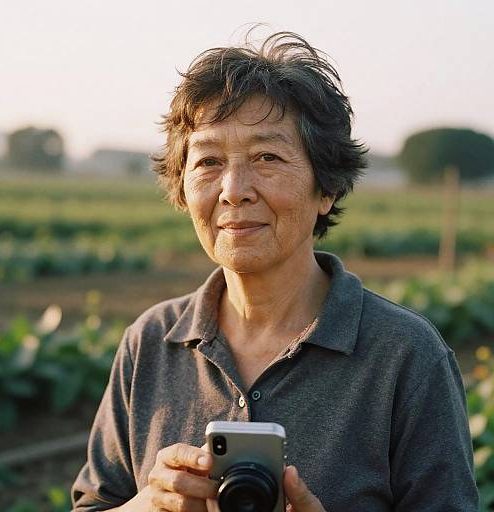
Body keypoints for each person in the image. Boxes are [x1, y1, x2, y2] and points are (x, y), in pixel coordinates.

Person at [71, 30, 479, 512]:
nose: (234, 189)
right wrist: (147, 506)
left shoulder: (406, 355)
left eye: (267, 157)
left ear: (326, 188)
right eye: (209, 161)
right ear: (182, 189)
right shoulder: (150, 343)